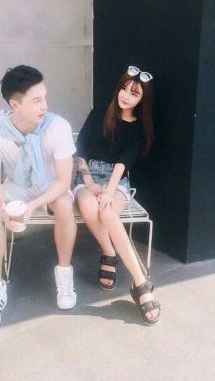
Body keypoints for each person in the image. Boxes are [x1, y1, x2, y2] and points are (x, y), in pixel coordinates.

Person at [0, 65, 77, 331]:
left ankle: (64, 273)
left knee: (63, 202)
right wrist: (7, 207)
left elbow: (64, 181)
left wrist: (32, 206)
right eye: (36, 100)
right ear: (15, 104)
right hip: (18, 186)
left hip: (50, 185)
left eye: (45, 97)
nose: (44, 106)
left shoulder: (57, 126)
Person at [74, 65, 160, 325]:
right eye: (124, 88)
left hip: (116, 179)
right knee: (90, 208)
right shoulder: (98, 113)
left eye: (134, 93)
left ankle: (140, 282)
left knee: (108, 213)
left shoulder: (138, 129)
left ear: (142, 100)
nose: (126, 96)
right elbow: (80, 151)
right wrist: (90, 183)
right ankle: (109, 251)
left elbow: (123, 164)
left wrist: (109, 191)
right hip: (88, 176)